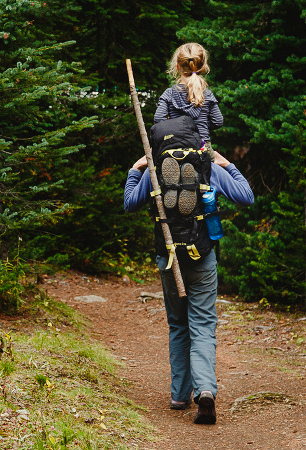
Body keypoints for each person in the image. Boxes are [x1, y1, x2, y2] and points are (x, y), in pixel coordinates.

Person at [124, 150, 254, 424]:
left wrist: (136, 170)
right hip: (202, 258)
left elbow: (130, 204)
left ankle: (179, 396)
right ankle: (204, 389)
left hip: (169, 258)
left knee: (178, 324)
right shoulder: (208, 168)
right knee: (203, 324)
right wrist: (227, 164)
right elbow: (246, 196)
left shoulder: (156, 170)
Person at [154, 43, 223, 161]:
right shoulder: (207, 94)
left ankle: (180, 165)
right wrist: (201, 126)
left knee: (151, 168)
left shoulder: (169, 93)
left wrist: (173, 128)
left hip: (175, 147)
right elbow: (218, 121)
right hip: (202, 147)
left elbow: (158, 118)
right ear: (203, 66)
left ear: (177, 66)